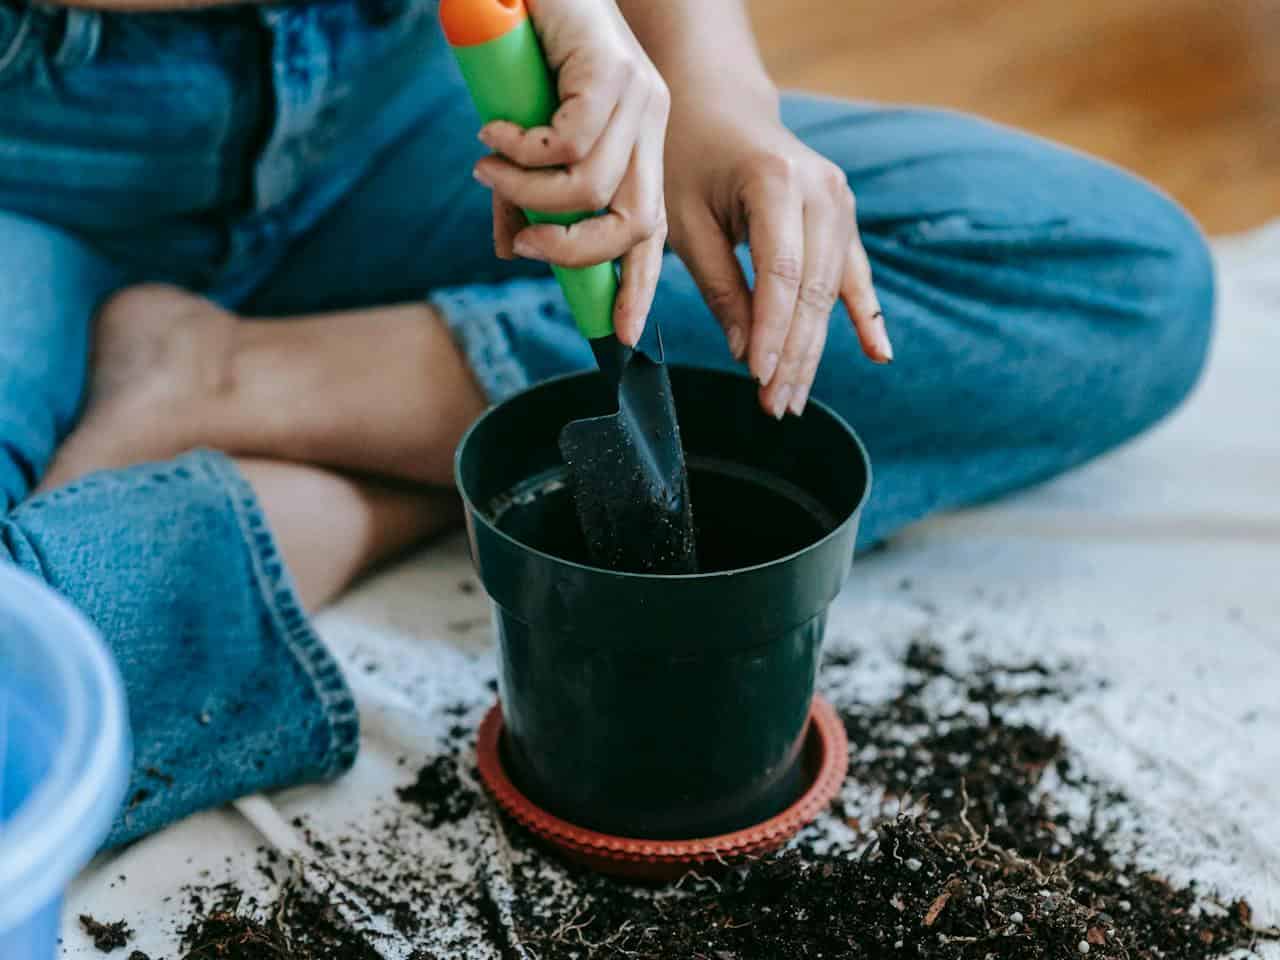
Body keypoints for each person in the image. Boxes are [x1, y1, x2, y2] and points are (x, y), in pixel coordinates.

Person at [0, 0, 1212, 847]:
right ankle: (399, 480)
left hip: (426, 112)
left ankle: (255, 393)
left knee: (1118, 278)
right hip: (36, 171)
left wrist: (710, 88)